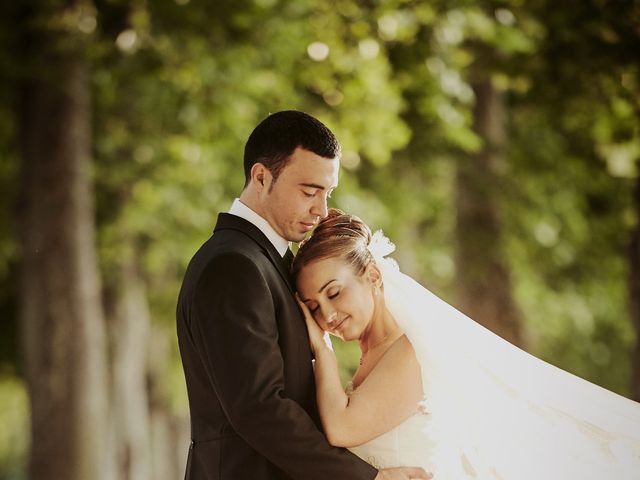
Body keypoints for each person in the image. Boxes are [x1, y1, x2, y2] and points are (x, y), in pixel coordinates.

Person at [293, 208, 640, 479]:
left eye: (334, 293)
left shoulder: (409, 352)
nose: (327, 314)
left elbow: (341, 429)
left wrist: (322, 347)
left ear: (371, 276)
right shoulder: (372, 356)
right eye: (312, 308)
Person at [176, 111, 431, 480]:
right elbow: (258, 407)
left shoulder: (270, 262)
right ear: (261, 177)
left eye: (328, 194)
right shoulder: (234, 265)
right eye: (310, 192)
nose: (321, 210)